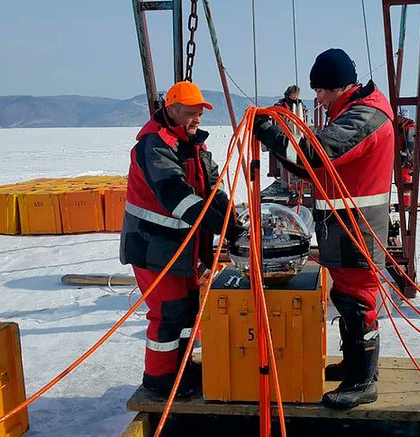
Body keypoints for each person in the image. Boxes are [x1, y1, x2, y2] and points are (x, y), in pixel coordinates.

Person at [253, 48, 395, 409]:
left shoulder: (364, 116)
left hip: (356, 229)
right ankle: (354, 367)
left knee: (357, 300)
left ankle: (364, 381)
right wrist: (280, 137)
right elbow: (310, 167)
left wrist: (271, 132)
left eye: (320, 91)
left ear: (336, 86)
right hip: (341, 227)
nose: (317, 98)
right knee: (345, 299)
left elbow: (317, 153)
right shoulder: (352, 111)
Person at [120, 80, 246, 397]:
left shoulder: (195, 146)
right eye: (190, 113)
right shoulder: (153, 147)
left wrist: (231, 218)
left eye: (200, 114)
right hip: (154, 248)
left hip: (183, 251)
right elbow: (178, 198)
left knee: (188, 311)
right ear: (172, 110)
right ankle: (160, 378)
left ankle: (182, 369)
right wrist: (222, 227)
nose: (196, 120)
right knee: (168, 314)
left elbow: (213, 188)